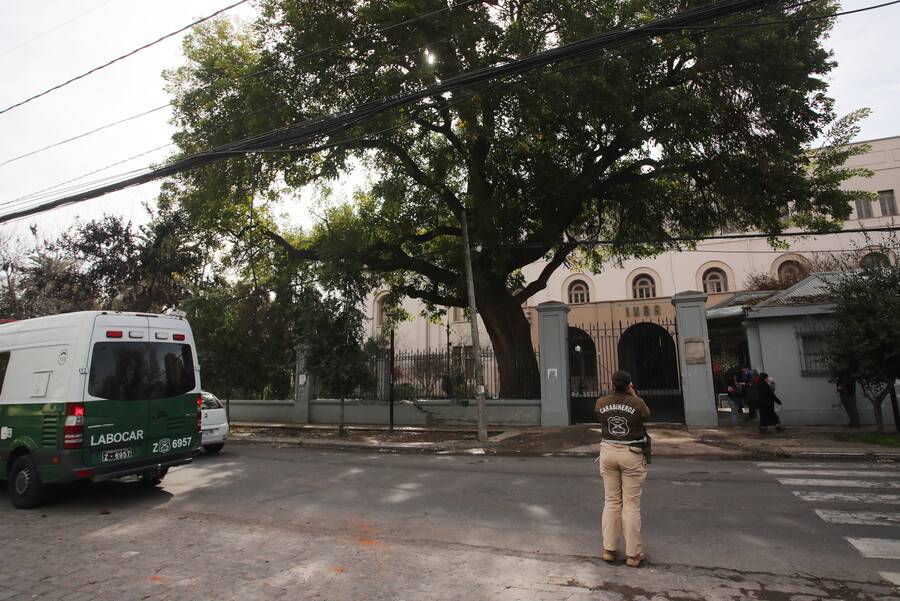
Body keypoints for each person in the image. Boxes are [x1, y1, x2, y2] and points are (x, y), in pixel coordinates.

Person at [595, 370, 651, 567]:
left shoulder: (601, 402)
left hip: (608, 451)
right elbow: (646, 415)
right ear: (629, 385)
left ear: (612, 384)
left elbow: (599, 417)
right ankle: (633, 554)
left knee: (611, 501)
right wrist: (633, 395)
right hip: (631, 453)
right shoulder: (637, 403)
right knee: (631, 504)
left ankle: (609, 549)